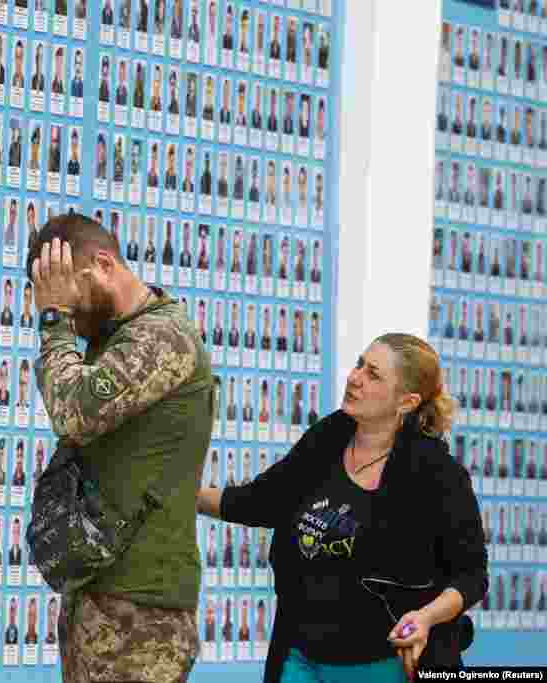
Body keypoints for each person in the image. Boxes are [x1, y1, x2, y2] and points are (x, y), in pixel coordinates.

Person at [196, 334, 488, 682]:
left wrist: (426, 617)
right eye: (359, 364)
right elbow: (260, 502)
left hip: (382, 662)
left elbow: (471, 576)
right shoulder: (330, 435)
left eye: (373, 374)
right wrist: (176, 492)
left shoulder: (436, 473)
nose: (355, 377)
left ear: (406, 402)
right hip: (300, 655)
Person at [25, 213, 212, 683]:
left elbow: (74, 413)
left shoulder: (164, 336)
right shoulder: (114, 336)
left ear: (104, 264)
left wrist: (55, 321)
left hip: (143, 610)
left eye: (70, 292)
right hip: (99, 593)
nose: (67, 306)